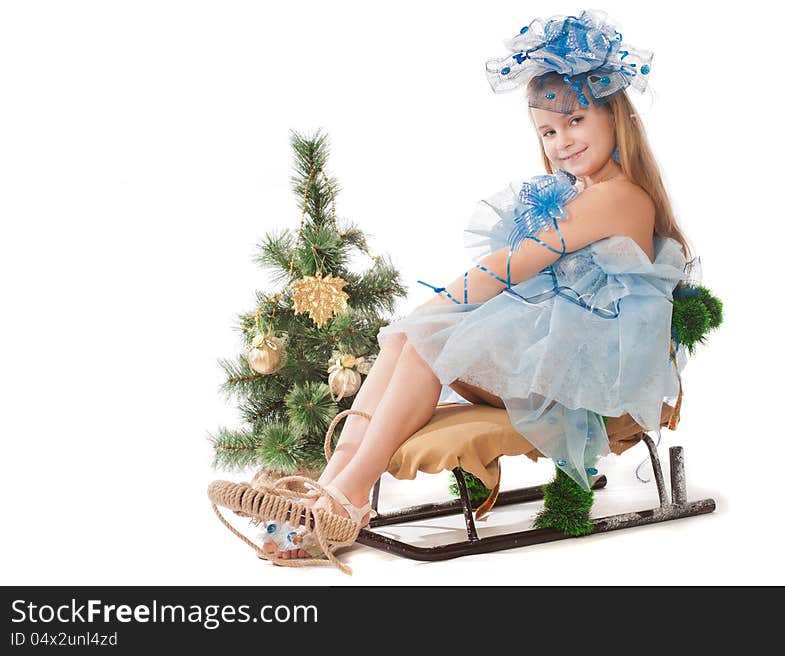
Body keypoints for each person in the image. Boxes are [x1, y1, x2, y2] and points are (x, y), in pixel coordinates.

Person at [264, 9, 695, 562]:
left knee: (422, 340)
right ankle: (327, 485)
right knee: (405, 339)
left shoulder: (616, 196)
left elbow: (511, 265)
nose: (561, 140)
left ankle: (345, 499)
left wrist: (431, 309)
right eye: (548, 130)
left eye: (576, 120)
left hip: (592, 370)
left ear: (614, 116)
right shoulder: (583, 191)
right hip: (563, 347)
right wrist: (422, 319)